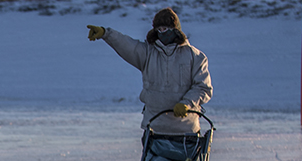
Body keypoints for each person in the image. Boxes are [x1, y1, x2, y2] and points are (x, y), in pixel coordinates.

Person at [87, 7, 212, 139]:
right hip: (154, 129)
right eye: (159, 29)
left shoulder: (195, 57)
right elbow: (126, 44)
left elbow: (203, 88)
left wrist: (187, 103)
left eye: (165, 28)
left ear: (175, 29)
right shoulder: (148, 53)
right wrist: (106, 33)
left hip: (186, 130)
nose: (162, 32)